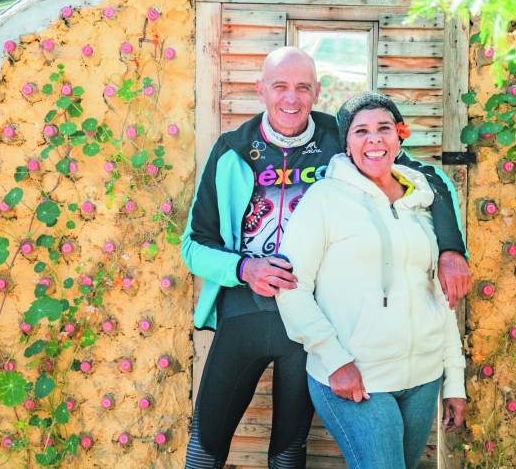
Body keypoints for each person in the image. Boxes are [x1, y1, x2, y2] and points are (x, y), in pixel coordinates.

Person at [181, 47, 470, 468]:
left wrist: (449, 248)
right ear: (260, 90)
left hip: (312, 316)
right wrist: (244, 268)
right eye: (279, 86)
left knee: (288, 450)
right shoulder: (232, 150)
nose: (291, 99)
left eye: (302, 87)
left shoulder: (341, 135)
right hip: (247, 309)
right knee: (205, 445)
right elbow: (194, 246)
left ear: (317, 92)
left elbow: (426, 179)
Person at [276, 92, 467, 469]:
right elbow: (292, 286)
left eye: (383, 128)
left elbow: (436, 295)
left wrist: (454, 381)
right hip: (357, 378)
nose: (374, 139)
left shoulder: (422, 200)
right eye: (361, 131)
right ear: (347, 144)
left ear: (399, 137)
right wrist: (334, 360)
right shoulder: (324, 200)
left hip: (423, 379)